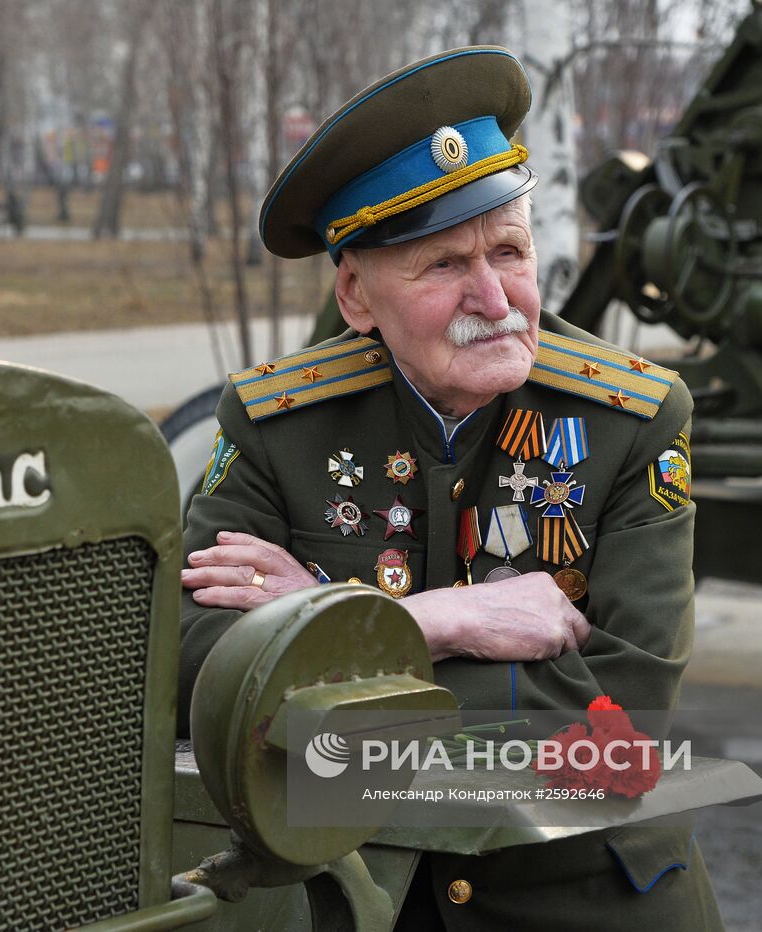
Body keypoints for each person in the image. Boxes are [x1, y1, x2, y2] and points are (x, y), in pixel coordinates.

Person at [178, 47, 718, 930]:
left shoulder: (634, 418)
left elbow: (624, 723)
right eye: (442, 267)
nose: (495, 298)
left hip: (578, 894)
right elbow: (190, 677)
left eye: (509, 251)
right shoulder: (277, 424)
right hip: (355, 895)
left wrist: (310, 636)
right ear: (356, 294)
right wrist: (434, 622)